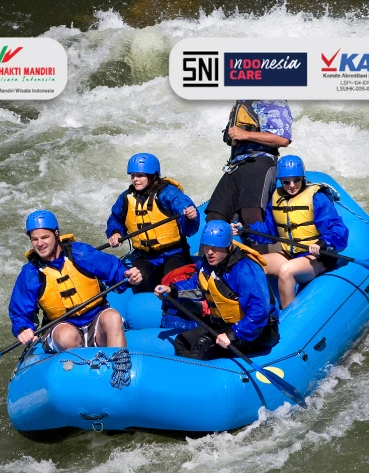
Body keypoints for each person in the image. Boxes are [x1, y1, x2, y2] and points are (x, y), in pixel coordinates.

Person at [9, 210, 142, 352]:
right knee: (67, 336)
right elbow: (19, 312)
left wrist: (127, 276)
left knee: (113, 317)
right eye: (34, 239)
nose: (40, 243)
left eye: (45, 237)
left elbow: (114, 270)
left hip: (96, 319)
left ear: (56, 233)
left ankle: (119, 366)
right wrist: (23, 328)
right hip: (61, 326)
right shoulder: (30, 273)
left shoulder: (80, 253)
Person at [154, 220, 278, 360]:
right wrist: (172, 290)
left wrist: (233, 333)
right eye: (206, 247)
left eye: (216, 248)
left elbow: (259, 311)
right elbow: (197, 286)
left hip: (258, 330)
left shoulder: (245, 270)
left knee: (202, 346)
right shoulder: (207, 265)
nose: (210, 253)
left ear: (229, 246)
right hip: (225, 325)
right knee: (182, 342)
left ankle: (199, 377)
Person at [241, 155, 349, 309]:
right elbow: (268, 231)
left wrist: (323, 243)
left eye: (296, 180)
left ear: (302, 178)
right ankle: (259, 312)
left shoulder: (317, 198)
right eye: (286, 182)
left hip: (317, 258)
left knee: (286, 271)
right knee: (251, 264)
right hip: (290, 254)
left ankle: (288, 318)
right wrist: (246, 231)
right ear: (281, 181)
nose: (291, 185)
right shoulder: (277, 199)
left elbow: (338, 229)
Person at [106, 152, 199, 293]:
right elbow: (115, 218)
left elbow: (188, 226)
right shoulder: (126, 197)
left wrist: (190, 217)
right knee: (137, 281)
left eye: (140, 175)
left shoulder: (168, 193)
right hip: (145, 255)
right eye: (133, 175)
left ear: (153, 175)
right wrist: (115, 232)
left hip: (173, 253)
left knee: (175, 282)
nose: (135, 179)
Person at [205, 100, 293, 239]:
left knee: (250, 217)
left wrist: (245, 135)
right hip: (235, 165)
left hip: (260, 162)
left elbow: (283, 139)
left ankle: (261, 260)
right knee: (214, 217)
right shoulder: (243, 99)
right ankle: (209, 259)